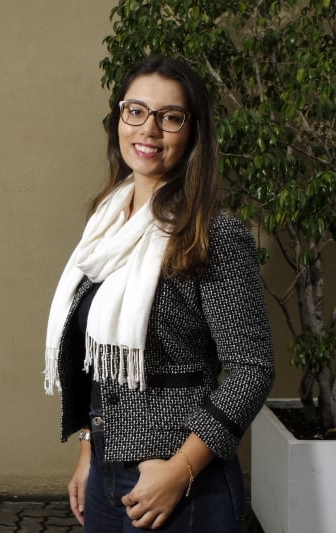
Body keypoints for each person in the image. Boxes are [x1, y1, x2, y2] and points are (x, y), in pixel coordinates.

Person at [43, 55, 275, 532]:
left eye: (170, 117)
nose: (148, 129)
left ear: (192, 132)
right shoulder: (106, 223)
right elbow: (99, 358)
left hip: (181, 485)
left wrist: (179, 470)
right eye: (136, 111)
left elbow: (253, 368)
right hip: (108, 471)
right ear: (119, 120)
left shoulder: (213, 233)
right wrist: (90, 446)